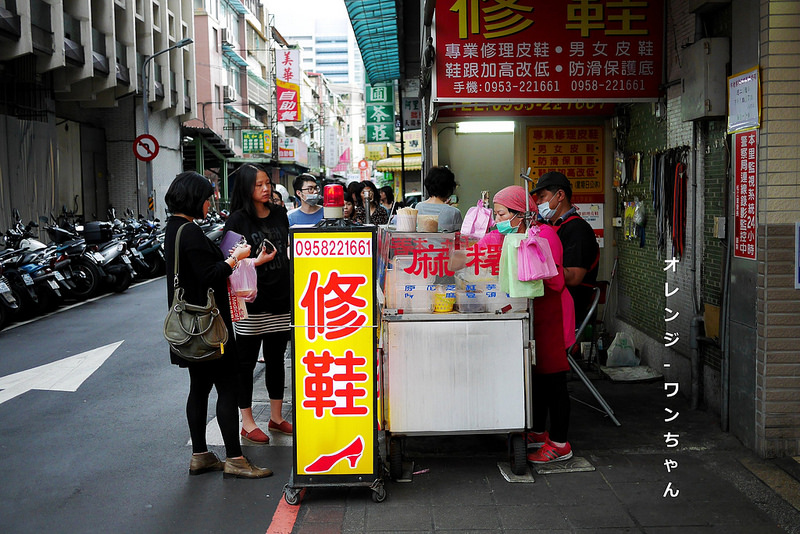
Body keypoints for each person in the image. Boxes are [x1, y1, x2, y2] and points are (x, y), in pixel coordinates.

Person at [163, 171, 272, 479]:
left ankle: (201, 455)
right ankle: (235, 459)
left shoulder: (174, 229)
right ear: (195, 199)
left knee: (198, 388)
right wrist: (234, 258)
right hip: (209, 328)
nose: (209, 203)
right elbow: (209, 275)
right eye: (207, 198)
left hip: (188, 329)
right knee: (229, 387)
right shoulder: (191, 231)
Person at [478, 185, 576, 464]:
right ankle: (537, 431)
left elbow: (555, 280)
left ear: (520, 214)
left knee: (553, 378)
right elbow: (485, 244)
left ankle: (559, 443)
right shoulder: (514, 233)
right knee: (535, 375)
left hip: (552, 313)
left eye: (501, 214)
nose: (497, 220)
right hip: (531, 313)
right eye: (494, 214)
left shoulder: (542, 235)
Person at [223, 164, 294, 445]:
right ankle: (248, 421)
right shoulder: (237, 221)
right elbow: (229, 262)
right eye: (259, 185)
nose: (266, 189)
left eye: (268, 183)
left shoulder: (279, 213)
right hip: (251, 302)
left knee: (277, 359)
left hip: (281, 298)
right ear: (246, 189)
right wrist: (258, 261)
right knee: (246, 363)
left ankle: (276, 418)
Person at [532, 171, 600, 327]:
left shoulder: (578, 229)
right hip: (549, 303)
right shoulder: (549, 227)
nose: (538, 203)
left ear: (560, 195)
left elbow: (574, 277)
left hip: (569, 309)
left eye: (542, 197)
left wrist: (535, 266)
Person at [416, 166, 463, 232]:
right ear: (449, 189)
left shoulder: (418, 207)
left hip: (421, 242)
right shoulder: (454, 212)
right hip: (446, 242)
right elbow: (459, 236)